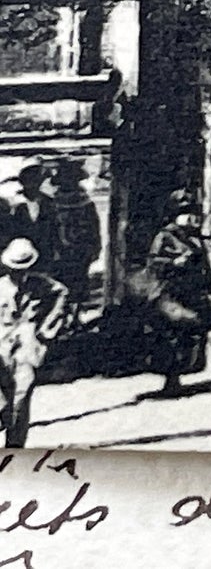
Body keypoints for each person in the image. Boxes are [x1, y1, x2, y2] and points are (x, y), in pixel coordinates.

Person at [125, 192, 211, 397]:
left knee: (191, 333)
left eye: (192, 213)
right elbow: (153, 263)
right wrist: (173, 264)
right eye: (184, 213)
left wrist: (210, 285)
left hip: (191, 293)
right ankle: (171, 377)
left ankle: (181, 374)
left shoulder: (194, 239)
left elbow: (204, 265)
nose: (190, 218)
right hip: (169, 293)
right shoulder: (165, 237)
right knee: (172, 334)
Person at [0, 238, 71, 448]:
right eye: (14, 268)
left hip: (27, 344)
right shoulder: (0, 287)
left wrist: (48, 328)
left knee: (22, 394)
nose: (19, 273)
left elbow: (62, 295)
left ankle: (15, 447)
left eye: (23, 268)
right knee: (3, 398)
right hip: (1, 342)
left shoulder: (42, 284)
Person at [44, 162, 101, 318]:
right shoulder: (52, 203)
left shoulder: (85, 201)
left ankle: (76, 313)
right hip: (61, 250)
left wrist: (95, 247)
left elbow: (93, 226)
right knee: (62, 283)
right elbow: (51, 228)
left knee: (79, 280)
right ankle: (63, 315)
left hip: (80, 249)